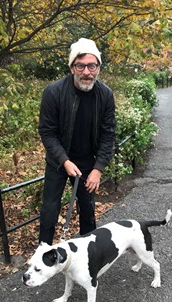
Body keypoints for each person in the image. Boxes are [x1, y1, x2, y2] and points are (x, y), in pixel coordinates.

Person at [38, 38, 116, 245]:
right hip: (58, 161)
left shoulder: (105, 95)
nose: (86, 72)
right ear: (72, 67)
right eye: (80, 66)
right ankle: (43, 253)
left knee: (88, 209)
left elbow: (108, 134)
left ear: (98, 67)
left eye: (92, 66)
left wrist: (98, 169)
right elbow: (47, 132)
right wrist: (64, 160)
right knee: (49, 210)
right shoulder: (53, 93)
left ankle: (90, 253)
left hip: (87, 161)